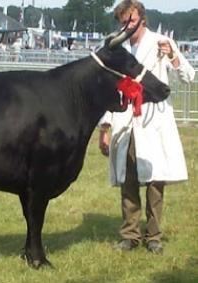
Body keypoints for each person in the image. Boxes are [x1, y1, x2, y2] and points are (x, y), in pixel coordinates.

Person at [98, 0, 195, 254]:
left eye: (130, 20)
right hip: (126, 117)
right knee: (128, 177)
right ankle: (130, 235)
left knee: (155, 181)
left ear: (142, 19)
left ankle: (154, 236)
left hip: (154, 118)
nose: (126, 26)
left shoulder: (162, 42)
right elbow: (111, 88)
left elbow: (188, 76)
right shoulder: (118, 49)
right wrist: (104, 128)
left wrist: (173, 56)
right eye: (122, 22)